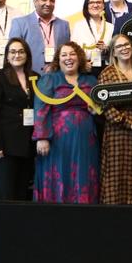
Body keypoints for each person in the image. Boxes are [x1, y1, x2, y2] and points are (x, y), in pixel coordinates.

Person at [32, 42, 100, 203]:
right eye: (64, 55)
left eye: (72, 54)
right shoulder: (50, 79)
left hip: (86, 140)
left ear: (79, 57)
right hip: (57, 140)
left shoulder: (91, 81)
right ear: (58, 59)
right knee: (59, 174)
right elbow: (40, 108)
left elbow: (101, 108)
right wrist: (42, 137)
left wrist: (95, 111)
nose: (68, 58)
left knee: (84, 174)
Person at [99, 33, 132, 205]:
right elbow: (104, 106)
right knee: (116, 176)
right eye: (119, 46)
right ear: (113, 52)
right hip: (117, 132)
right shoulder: (108, 73)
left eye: (127, 45)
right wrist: (128, 122)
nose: (124, 48)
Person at [0, 37, 35, 203]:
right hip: (6, 145)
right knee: (5, 192)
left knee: (23, 192)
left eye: (21, 51)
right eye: (12, 52)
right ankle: (3, 221)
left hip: (28, 143)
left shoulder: (35, 77)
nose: (17, 55)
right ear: (6, 56)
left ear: (27, 55)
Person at [9, 0, 70, 74]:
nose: (48, 3)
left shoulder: (64, 25)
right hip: (29, 75)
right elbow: (13, 53)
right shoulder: (20, 23)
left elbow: (67, 52)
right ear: (35, 1)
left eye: (52, 0)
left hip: (58, 76)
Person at [70, 0, 112, 72]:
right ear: (87, 5)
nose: (95, 5)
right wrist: (82, 64)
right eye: (91, 2)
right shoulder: (79, 26)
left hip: (106, 69)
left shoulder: (111, 27)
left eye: (98, 2)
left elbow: (115, 51)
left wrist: (106, 49)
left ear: (103, 5)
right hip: (85, 67)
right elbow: (72, 50)